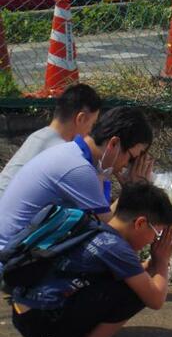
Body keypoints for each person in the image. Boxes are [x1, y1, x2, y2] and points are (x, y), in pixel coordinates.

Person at [9, 181, 172, 337]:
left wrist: (152, 265)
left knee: (126, 283)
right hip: (43, 324)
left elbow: (129, 275)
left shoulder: (97, 228)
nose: (154, 241)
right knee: (135, 292)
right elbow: (155, 299)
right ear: (140, 223)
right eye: (157, 234)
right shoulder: (116, 248)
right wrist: (163, 260)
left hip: (27, 314)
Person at [0, 106, 155, 250]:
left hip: (18, 250)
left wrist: (128, 191)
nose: (128, 166)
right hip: (9, 260)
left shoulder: (75, 155)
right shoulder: (79, 169)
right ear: (114, 143)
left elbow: (105, 218)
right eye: (131, 158)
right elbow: (112, 233)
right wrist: (135, 190)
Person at [0, 83, 102, 196]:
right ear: (81, 119)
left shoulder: (38, 135)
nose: (90, 130)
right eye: (92, 123)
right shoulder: (62, 151)